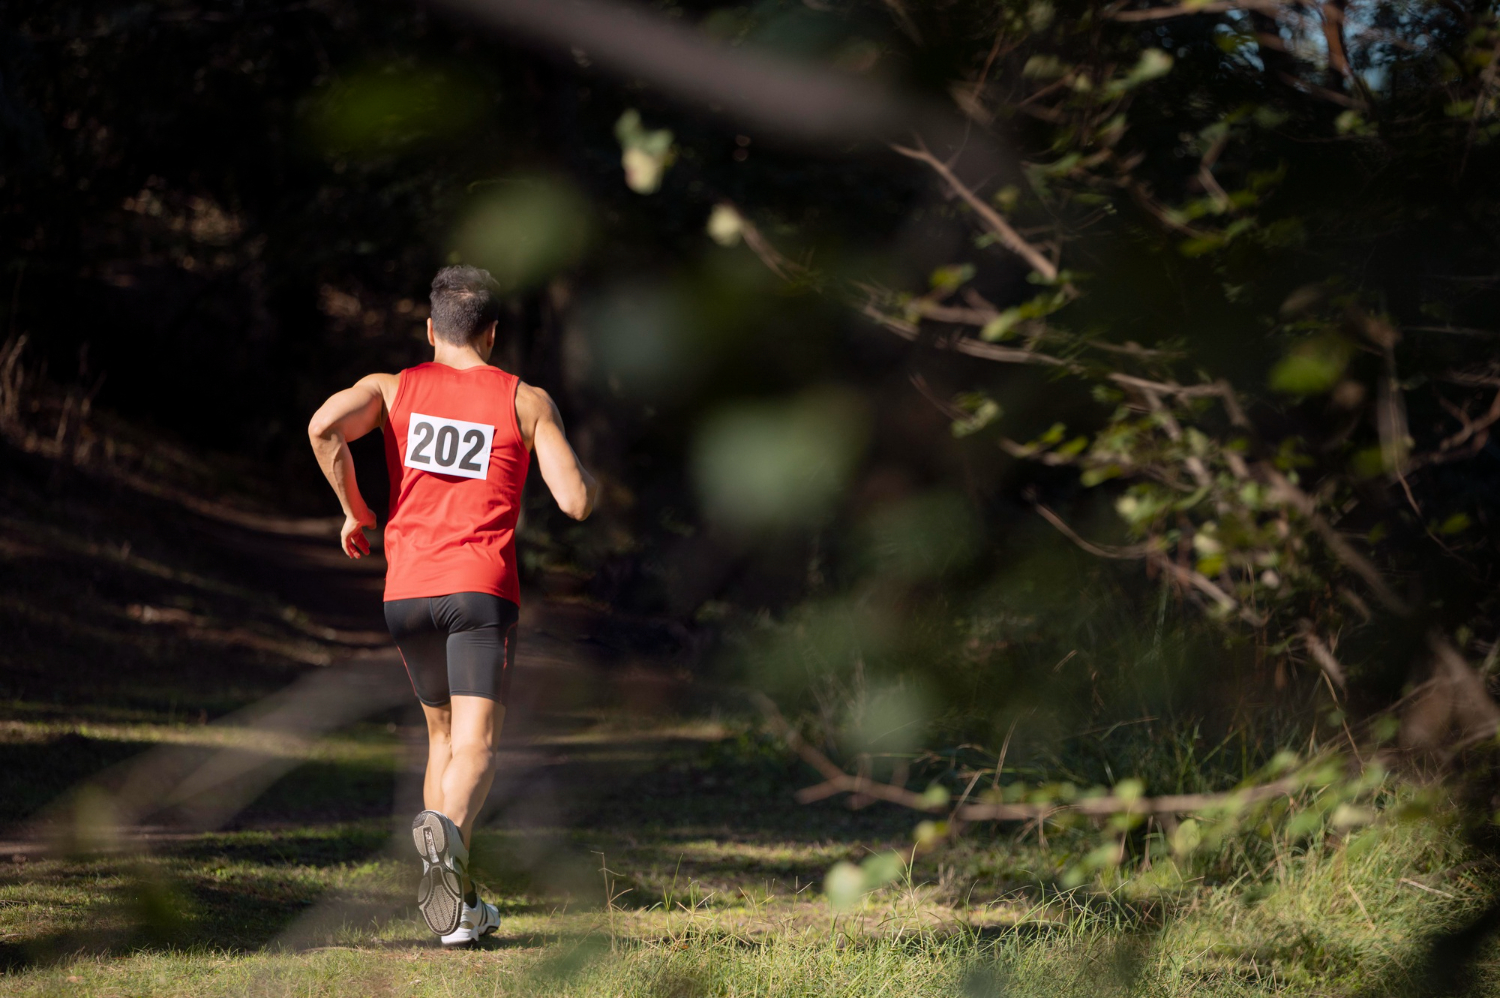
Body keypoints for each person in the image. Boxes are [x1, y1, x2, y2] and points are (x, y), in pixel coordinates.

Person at [307, 265, 597, 946]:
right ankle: (448, 850)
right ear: (493, 334)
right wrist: (594, 485)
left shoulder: (389, 387)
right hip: (478, 592)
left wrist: (356, 512)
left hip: (406, 592)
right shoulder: (525, 400)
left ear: (431, 328)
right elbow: (575, 501)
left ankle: (459, 911)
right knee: (479, 745)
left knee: (441, 739)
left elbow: (324, 427)